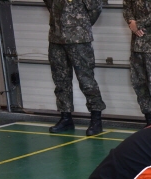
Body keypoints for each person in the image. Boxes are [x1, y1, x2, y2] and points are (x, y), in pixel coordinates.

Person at [44, 0, 106, 136]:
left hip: (79, 39)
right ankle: (66, 117)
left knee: (86, 81)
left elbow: (95, 8)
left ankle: (96, 119)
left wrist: (80, 25)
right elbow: (50, 4)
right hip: (56, 37)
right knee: (60, 80)